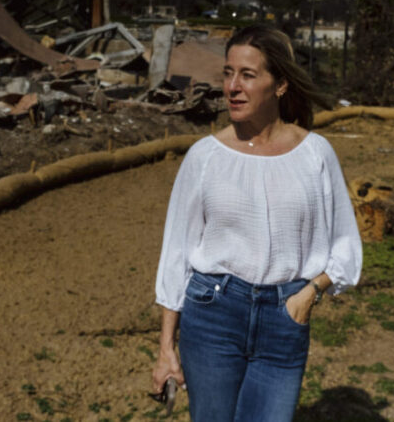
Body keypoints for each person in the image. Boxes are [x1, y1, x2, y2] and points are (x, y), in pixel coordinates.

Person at [151, 24, 363, 421]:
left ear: (280, 85)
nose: (232, 87)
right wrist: (166, 348)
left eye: (247, 75)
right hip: (212, 316)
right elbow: (176, 253)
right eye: (228, 73)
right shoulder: (205, 157)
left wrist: (309, 294)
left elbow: (345, 244)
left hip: (285, 319)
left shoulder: (315, 154)